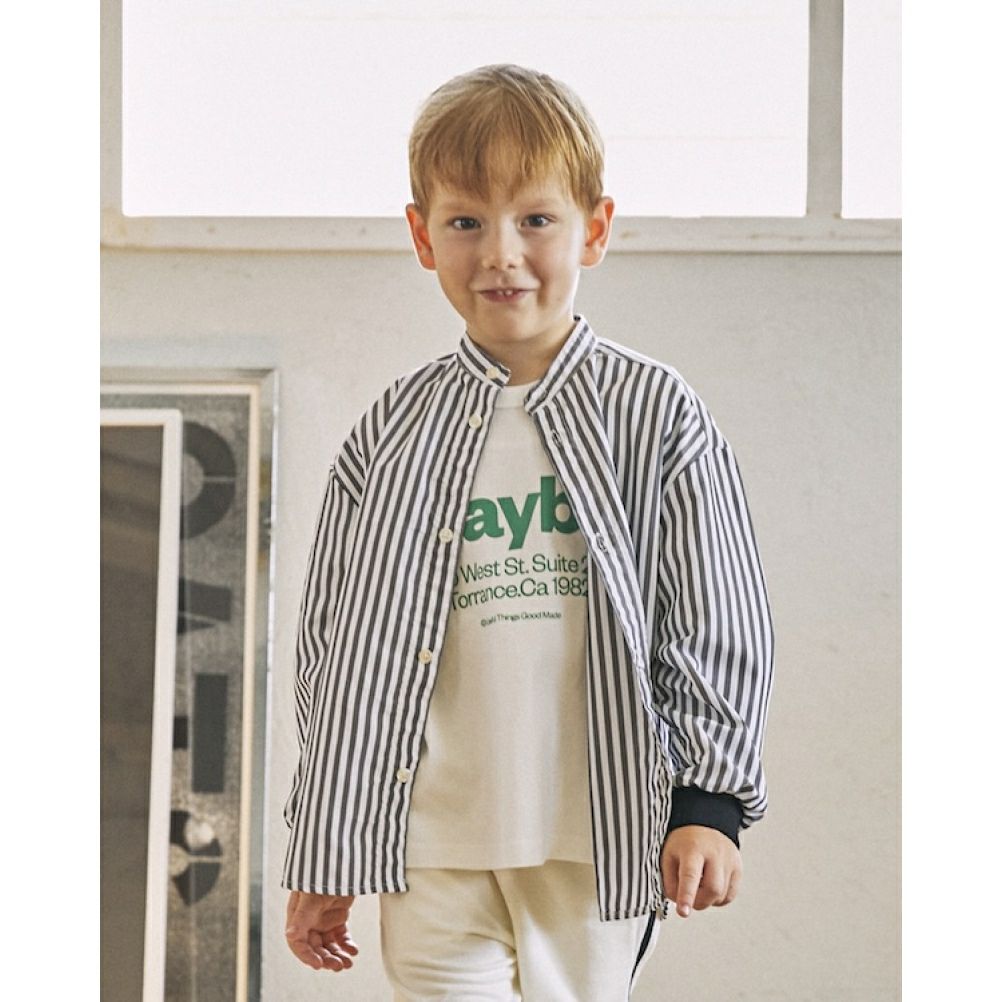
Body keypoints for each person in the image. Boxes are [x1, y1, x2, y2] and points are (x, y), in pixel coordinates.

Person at [283, 63, 774, 1000]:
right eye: (467, 222)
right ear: (423, 237)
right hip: (429, 839)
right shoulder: (392, 431)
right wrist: (332, 839)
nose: (501, 254)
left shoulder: (653, 413)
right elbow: (338, 652)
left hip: (591, 834)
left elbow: (717, 616)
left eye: (536, 219)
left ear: (595, 227)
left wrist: (710, 802)